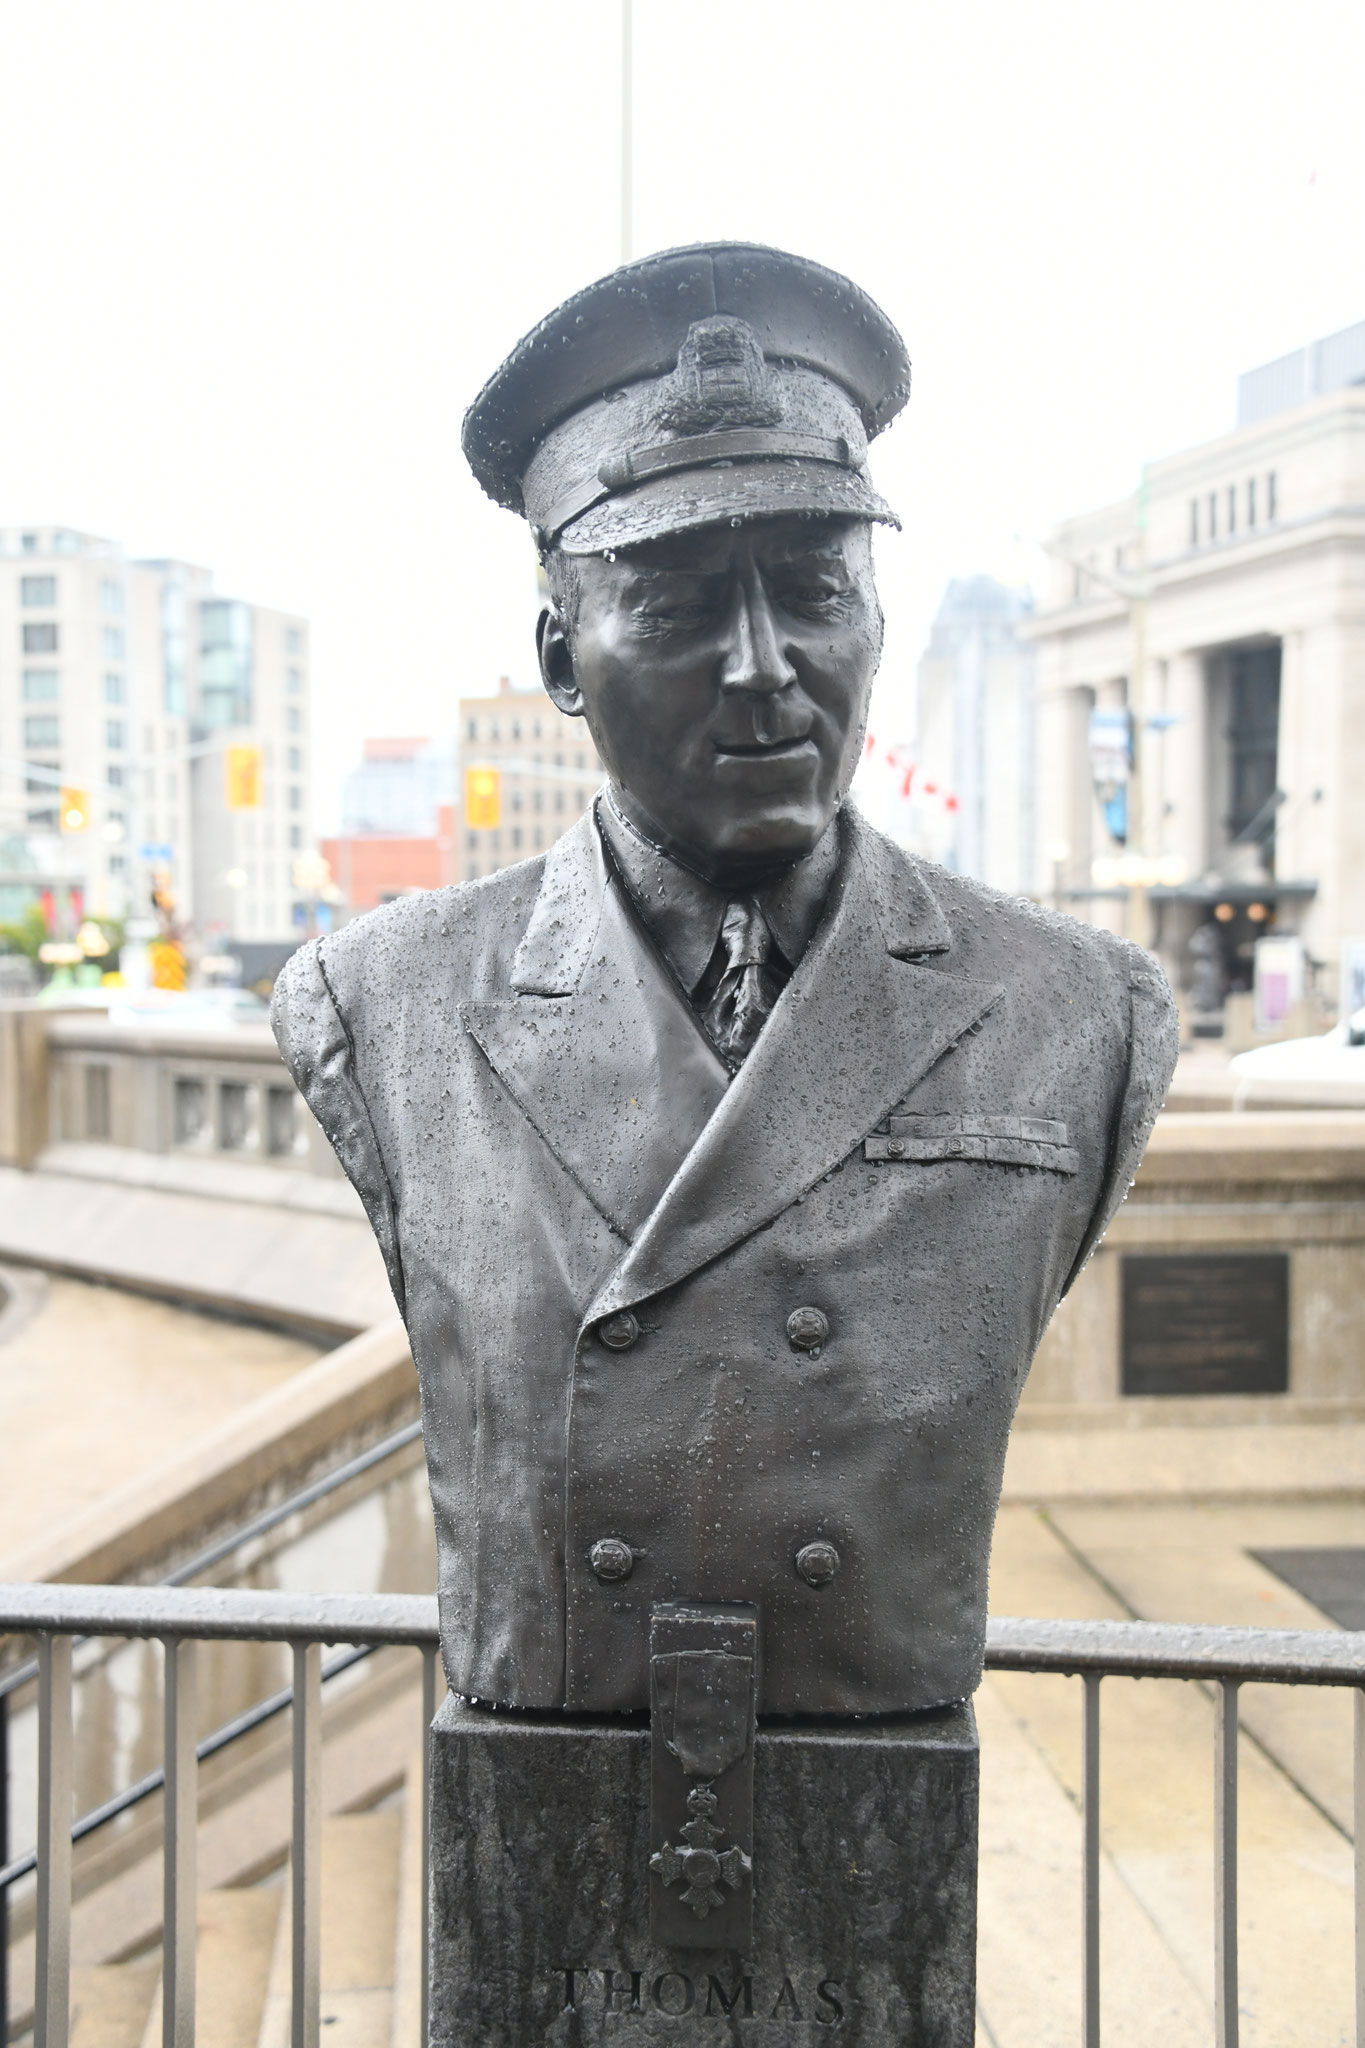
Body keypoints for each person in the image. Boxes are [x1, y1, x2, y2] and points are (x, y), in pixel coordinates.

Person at [272, 242, 1178, 1717]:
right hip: (549, 1749)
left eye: (813, 591)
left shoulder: (1080, 1008)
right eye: (682, 605)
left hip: (874, 1739)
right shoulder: (384, 1002)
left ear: (874, 621)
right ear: (563, 656)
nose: (762, 667)